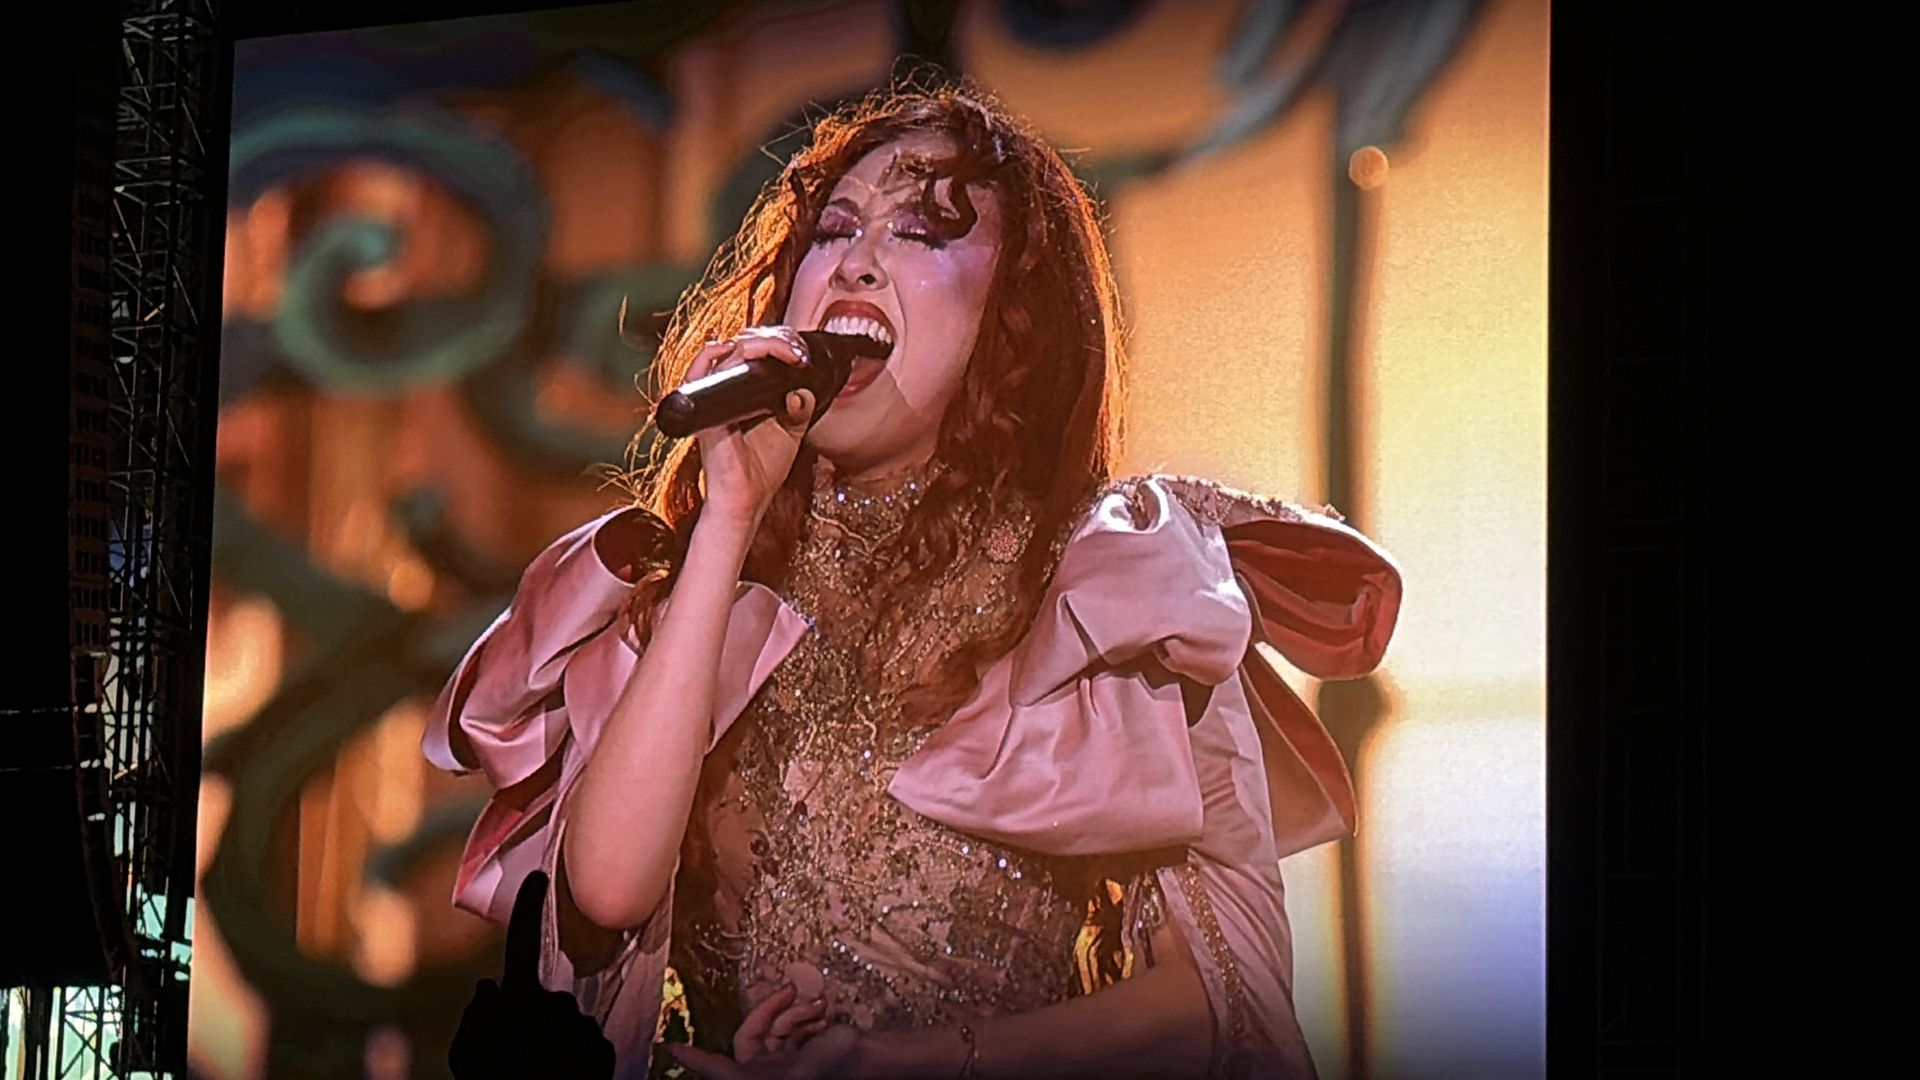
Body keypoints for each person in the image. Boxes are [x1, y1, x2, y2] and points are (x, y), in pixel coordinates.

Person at [423, 79, 1401, 1080]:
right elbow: (606, 898)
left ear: (1013, 315)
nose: (857, 261)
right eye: (834, 229)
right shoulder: (690, 587)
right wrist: (725, 519)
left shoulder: (1117, 580)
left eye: (923, 234)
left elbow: (1214, 1001)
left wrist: (910, 1063)